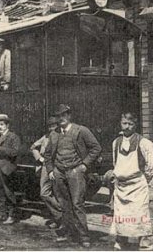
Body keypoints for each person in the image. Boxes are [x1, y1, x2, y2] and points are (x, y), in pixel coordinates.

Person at [44, 104, 102, 248]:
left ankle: (84, 236)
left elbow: (96, 148)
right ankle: (68, 233)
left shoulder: (81, 130)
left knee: (77, 204)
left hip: (75, 172)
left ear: (69, 116)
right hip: (59, 173)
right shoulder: (54, 133)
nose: (61, 119)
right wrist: (51, 170)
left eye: (64, 115)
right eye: (58, 116)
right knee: (64, 204)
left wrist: (84, 165)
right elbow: (47, 154)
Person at [109, 112, 153, 251]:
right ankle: (120, 243)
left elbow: (152, 166)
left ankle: (145, 246)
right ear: (120, 123)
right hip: (121, 187)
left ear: (136, 125)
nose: (127, 127)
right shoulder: (116, 143)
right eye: (125, 123)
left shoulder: (144, 143)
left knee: (140, 215)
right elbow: (115, 163)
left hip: (137, 187)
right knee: (121, 216)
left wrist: (141, 180)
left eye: (131, 124)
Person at [0, 113, 21, 225]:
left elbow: (14, 152)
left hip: (7, 169)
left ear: (7, 125)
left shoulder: (13, 137)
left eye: (2, 125)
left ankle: (11, 216)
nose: (0, 127)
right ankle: (2, 214)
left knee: (8, 192)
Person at [30, 116, 64, 229]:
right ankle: (62, 214)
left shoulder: (62, 136)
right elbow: (33, 147)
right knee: (44, 193)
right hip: (45, 167)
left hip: (58, 167)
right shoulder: (45, 137)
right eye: (50, 126)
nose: (51, 128)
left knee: (57, 194)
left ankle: (58, 220)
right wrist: (39, 158)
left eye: (54, 126)